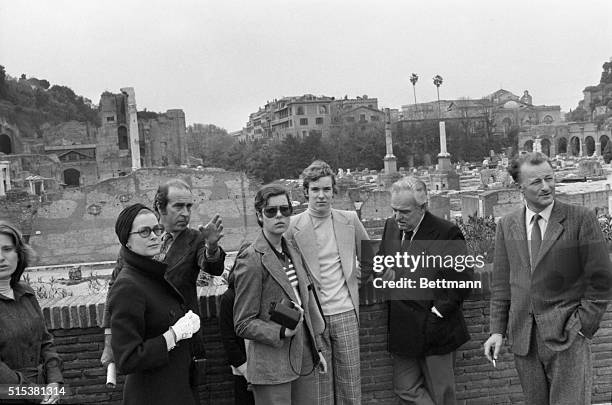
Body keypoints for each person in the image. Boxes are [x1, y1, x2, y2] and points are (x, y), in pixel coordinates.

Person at [483, 152, 612, 405]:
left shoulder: (580, 219)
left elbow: (601, 279)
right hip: (524, 342)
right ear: (519, 186)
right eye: (536, 182)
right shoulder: (507, 225)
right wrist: (497, 331)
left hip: (568, 340)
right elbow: (501, 285)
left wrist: (582, 327)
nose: (546, 187)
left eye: (550, 179)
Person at [101, 179, 226, 380]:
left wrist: (211, 248)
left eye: (189, 206)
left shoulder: (194, 238)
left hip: (183, 343)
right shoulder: (135, 242)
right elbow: (113, 290)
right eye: (178, 206)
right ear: (160, 207)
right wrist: (109, 341)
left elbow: (212, 266)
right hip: (146, 343)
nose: (185, 213)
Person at [378, 178, 472, 405]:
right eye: (394, 210)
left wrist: (436, 315)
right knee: (405, 388)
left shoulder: (446, 232)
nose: (398, 217)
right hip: (403, 326)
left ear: (423, 207)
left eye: (404, 212)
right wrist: (384, 271)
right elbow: (382, 260)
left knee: (442, 395)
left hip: (436, 328)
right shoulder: (391, 226)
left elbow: (462, 282)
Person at [233, 184, 327, 404]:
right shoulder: (252, 259)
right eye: (271, 211)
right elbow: (243, 323)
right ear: (259, 215)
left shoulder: (292, 248)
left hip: (304, 357)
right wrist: (280, 331)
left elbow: (306, 303)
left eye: (285, 210)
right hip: (271, 365)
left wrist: (316, 350)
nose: (279, 216)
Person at [285, 160, 369, 404]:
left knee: (350, 386)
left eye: (326, 189)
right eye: (315, 190)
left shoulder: (350, 220)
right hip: (313, 317)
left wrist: (358, 279)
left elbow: (371, 258)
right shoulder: (292, 227)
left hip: (345, 313)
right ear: (306, 192)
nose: (321, 196)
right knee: (320, 390)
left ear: (334, 191)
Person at [108, 203, 202, 405]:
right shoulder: (127, 286)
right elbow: (127, 358)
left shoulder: (151, 273)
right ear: (127, 241)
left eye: (157, 229)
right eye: (144, 231)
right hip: (153, 395)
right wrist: (173, 335)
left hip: (176, 388)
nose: (154, 236)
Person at [0, 221, 63, 404]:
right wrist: (34, 393)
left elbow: (45, 342)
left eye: (7, 249)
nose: (1, 257)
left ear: (18, 254)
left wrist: (54, 380)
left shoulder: (26, 293)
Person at [219, 257, 255, 405]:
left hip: (267, 369)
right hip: (243, 373)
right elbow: (228, 340)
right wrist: (247, 372)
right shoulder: (230, 298)